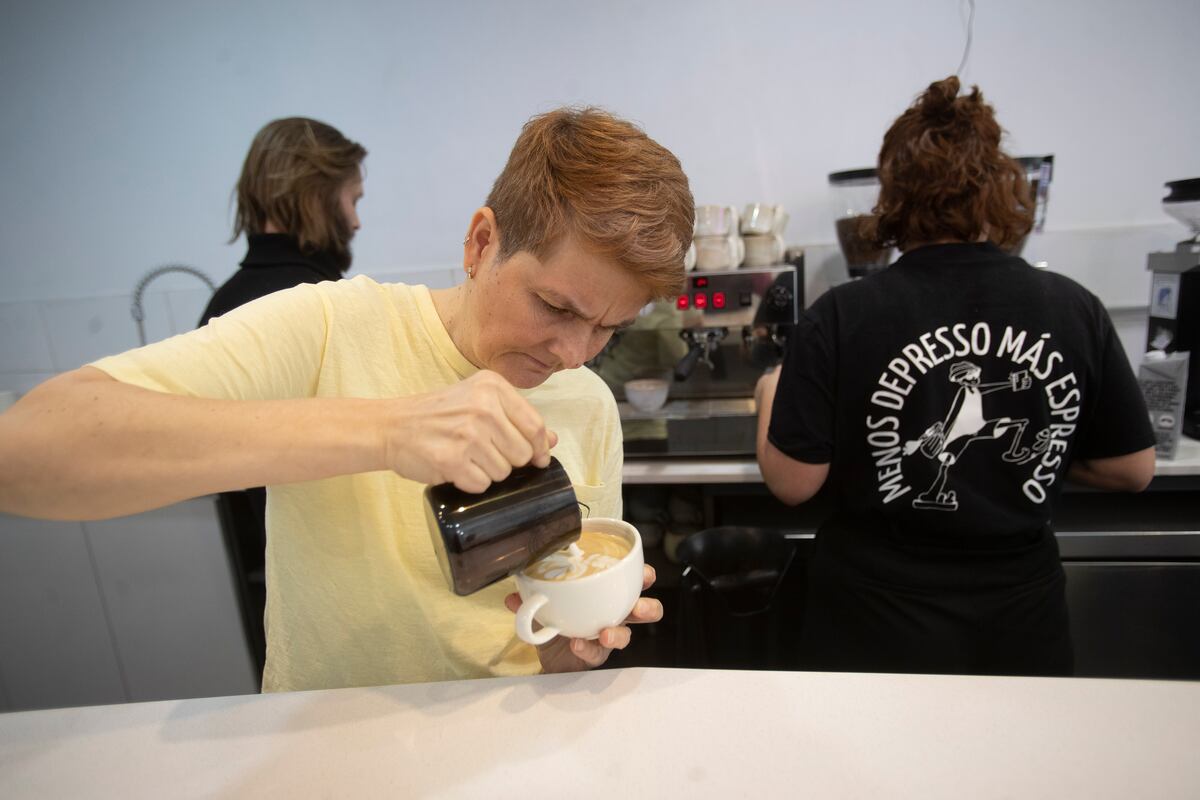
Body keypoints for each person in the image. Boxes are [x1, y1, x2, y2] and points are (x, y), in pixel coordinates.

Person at [0, 107, 693, 692]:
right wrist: (388, 429)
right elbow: (26, 451)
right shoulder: (330, 326)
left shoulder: (589, 403)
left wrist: (565, 656)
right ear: (483, 243)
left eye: (609, 328)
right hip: (329, 751)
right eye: (555, 307)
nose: (574, 354)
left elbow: (549, 640)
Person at [755, 77, 1155, 677]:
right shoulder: (1074, 307)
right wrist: (1036, 447)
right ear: (1001, 187)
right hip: (1018, 627)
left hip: (874, 629)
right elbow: (1132, 468)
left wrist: (770, 391)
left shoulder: (842, 312)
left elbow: (792, 482)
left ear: (892, 195)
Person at [202, 117, 367, 679]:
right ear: (316, 195)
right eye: (352, 199)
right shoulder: (324, 305)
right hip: (346, 589)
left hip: (276, 590)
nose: (357, 220)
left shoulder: (221, 308)